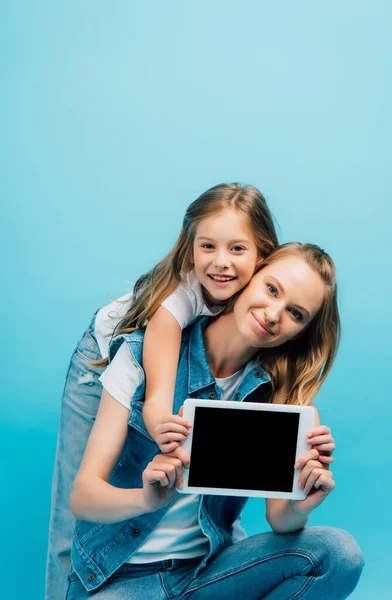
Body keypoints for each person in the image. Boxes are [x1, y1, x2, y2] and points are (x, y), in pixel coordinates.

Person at [66, 242, 364, 599]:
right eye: (271, 289)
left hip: (210, 574)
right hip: (121, 579)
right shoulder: (144, 355)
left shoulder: (283, 400)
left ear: (300, 331)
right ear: (250, 276)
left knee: (339, 553)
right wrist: (146, 500)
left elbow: (280, 521)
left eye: (295, 313)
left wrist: (301, 505)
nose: (272, 314)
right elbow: (83, 497)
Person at [45, 182, 279, 600]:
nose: (221, 262)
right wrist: (156, 411)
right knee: (74, 507)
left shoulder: (262, 296)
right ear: (190, 247)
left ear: (262, 252)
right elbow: (164, 330)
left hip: (171, 360)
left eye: (237, 250)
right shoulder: (183, 288)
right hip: (105, 358)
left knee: (216, 476)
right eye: (207, 246)